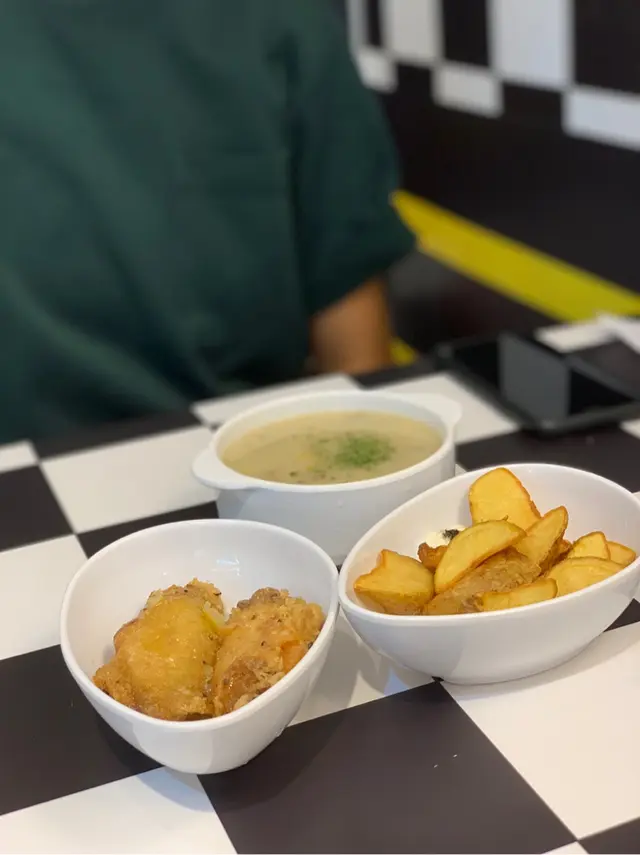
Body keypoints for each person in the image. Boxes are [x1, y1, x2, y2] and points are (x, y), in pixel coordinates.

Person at [0, 0, 414, 444]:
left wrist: (361, 458)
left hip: (233, 444)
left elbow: (349, 302)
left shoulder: (282, 20)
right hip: (19, 449)